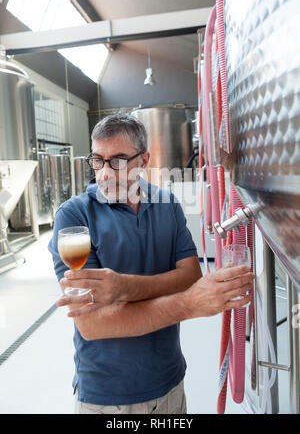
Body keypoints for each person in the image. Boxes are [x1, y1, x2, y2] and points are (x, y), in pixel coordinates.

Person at [48, 113, 253, 415]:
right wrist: (187, 304)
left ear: (144, 159)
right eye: (97, 160)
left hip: (169, 384)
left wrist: (123, 289)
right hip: (108, 396)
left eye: (118, 160)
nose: (104, 173)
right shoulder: (74, 218)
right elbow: (92, 324)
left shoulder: (166, 203)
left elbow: (190, 274)